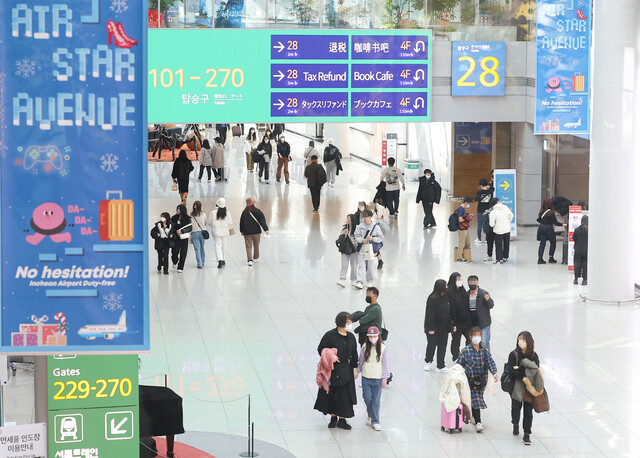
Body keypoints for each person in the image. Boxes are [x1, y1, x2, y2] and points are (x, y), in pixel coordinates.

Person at [314, 312, 358, 430]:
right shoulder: (330, 335)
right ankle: (333, 418)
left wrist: (355, 368)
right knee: (333, 394)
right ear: (342, 322)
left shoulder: (351, 337)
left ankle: (342, 419)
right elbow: (321, 349)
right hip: (333, 370)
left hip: (347, 369)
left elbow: (354, 353)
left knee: (345, 395)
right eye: (348, 322)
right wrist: (330, 356)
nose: (350, 324)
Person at [456, 327, 498, 433]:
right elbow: (459, 365)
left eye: (478, 336)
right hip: (470, 380)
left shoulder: (485, 351)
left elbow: (490, 362)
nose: (477, 338)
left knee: (477, 397)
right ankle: (479, 422)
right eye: (474, 336)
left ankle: (474, 416)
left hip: (482, 381)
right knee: (476, 398)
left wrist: (494, 373)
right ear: (470, 337)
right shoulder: (465, 351)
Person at [508, 331, 541, 446]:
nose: (520, 342)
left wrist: (520, 370)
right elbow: (510, 370)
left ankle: (527, 434)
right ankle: (515, 423)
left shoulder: (533, 356)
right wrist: (523, 375)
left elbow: (535, 370)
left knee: (528, 411)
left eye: (523, 340)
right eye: (519, 340)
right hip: (517, 386)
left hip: (529, 387)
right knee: (516, 408)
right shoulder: (514, 354)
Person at [357, 326, 390, 431]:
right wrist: (357, 371)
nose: (372, 338)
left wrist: (385, 378)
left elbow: (386, 364)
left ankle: (375, 420)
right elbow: (361, 360)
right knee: (367, 398)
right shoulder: (365, 347)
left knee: (376, 400)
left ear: (378, 336)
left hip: (378, 378)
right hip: (366, 377)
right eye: (370, 336)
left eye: (374, 336)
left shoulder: (383, 348)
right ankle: (371, 414)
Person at [423, 279, 451, 373]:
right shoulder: (433, 298)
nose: (447, 287)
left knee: (442, 346)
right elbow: (430, 314)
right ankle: (428, 361)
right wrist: (431, 328)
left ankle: (440, 365)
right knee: (432, 345)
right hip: (434, 328)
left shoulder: (446, 297)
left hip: (444, 327)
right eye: (445, 285)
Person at [354, 210, 384, 289]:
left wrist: (373, 238)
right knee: (361, 266)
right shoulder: (360, 226)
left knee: (370, 266)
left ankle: (370, 280)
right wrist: (361, 240)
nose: (364, 218)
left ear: (370, 217)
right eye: (363, 216)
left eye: (365, 217)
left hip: (369, 248)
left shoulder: (375, 227)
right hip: (361, 248)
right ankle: (359, 281)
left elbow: (381, 237)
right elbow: (356, 236)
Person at [447, 272, 471, 362]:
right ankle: (455, 357)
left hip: (466, 321)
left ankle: (467, 356)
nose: (459, 281)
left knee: (469, 338)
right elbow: (451, 309)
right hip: (456, 322)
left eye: (460, 279)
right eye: (458, 279)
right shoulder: (449, 292)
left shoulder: (462, 290)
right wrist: (453, 323)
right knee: (456, 341)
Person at [239, 197, 269, 267]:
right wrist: (266, 229)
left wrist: (242, 231)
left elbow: (241, 222)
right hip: (256, 232)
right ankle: (255, 256)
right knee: (256, 245)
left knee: (248, 246)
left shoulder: (244, 212)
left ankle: (250, 260)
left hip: (247, 233)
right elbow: (262, 221)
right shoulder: (258, 211)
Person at [467, 275, 494, 351]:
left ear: (477, 283)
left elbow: (491, 305)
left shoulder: (483, 294)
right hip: (472, 322)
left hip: (483, 322)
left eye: (474, 283)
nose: (472, 285)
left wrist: (487, 300)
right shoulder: (466, 294)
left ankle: (486, 358)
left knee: (484, 342)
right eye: (470, 283)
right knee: (472, 342)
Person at [536, 198, 565, 264]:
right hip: (548, 228)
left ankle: (540, 259)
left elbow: (539, 219)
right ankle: (551, 257)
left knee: (542, 244)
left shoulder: (542, 211)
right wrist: (562, 224)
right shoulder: (551, 213)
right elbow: (555, 222)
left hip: (541, 228)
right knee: (553, 242)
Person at [209, 197, 233, 269]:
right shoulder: (227, 212)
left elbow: (209, 222)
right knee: (224, 245)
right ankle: (223, 259)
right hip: (225, 232)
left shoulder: (213, 212)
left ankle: (220, 260)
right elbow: (230, 222)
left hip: (216, 232)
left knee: (217, 245)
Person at [489, 197, 514, 264]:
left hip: (498, 230)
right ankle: (505, 258)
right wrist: (508, 222)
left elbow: (491, 224)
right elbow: (512, 215)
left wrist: (495, 225)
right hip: (507, 229)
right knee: (506, 244)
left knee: (498, 245)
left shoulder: (493, 212)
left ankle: (499, 259)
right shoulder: (505, 207)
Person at [337, 214, 358, 287]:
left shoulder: (357, 228)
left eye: (349, 218)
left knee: (354, 265)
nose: (347, 220)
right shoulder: (345, 228)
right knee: (344, 265)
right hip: (345, 247)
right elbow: (341, 238)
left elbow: (358, 238)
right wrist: (345, 235)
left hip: (354, 248)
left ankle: (354, 279)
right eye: (347, 218)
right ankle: (342, 279)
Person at [170, 204, 192, 273]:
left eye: (179, 209)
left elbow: (190, 228)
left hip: (184, 238)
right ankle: (174, 260)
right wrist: (174, 232)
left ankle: (180, 266)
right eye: (177, 209)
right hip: (176, 238)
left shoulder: (188, 219)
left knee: (183, 252)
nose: (178, 210)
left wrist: (182, 231)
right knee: (175, 251)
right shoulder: (173, 218)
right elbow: (171, 227)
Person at [456, 197, 474, 263]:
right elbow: (460, 219)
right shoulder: (461, 209)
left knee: (467, 242)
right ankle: (459, 258)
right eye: (469, 203)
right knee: (462, 243)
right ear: (466, 202)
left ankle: (466, 255)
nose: (469, 205)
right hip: (461, 229)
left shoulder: (463, 209)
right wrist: (467, 219)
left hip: (464, 228)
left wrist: (469, 215)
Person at [190, 201, 207, 269]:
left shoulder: (191, 216)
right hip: (202, 232)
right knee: (202, 247)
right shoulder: (204, 214)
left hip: (194, 233)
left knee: (197, 249)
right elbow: (205, 223)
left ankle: (199, 263)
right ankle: (202, 261)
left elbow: (190, 225)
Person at [572, 215, 588, 285]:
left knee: (577, 264)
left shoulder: (577, 229)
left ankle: (576, 279)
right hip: (586, 250)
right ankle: (584, 280)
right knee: (585, 265)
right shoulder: (590, 230)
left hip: (578, 250)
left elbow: (574, 238)